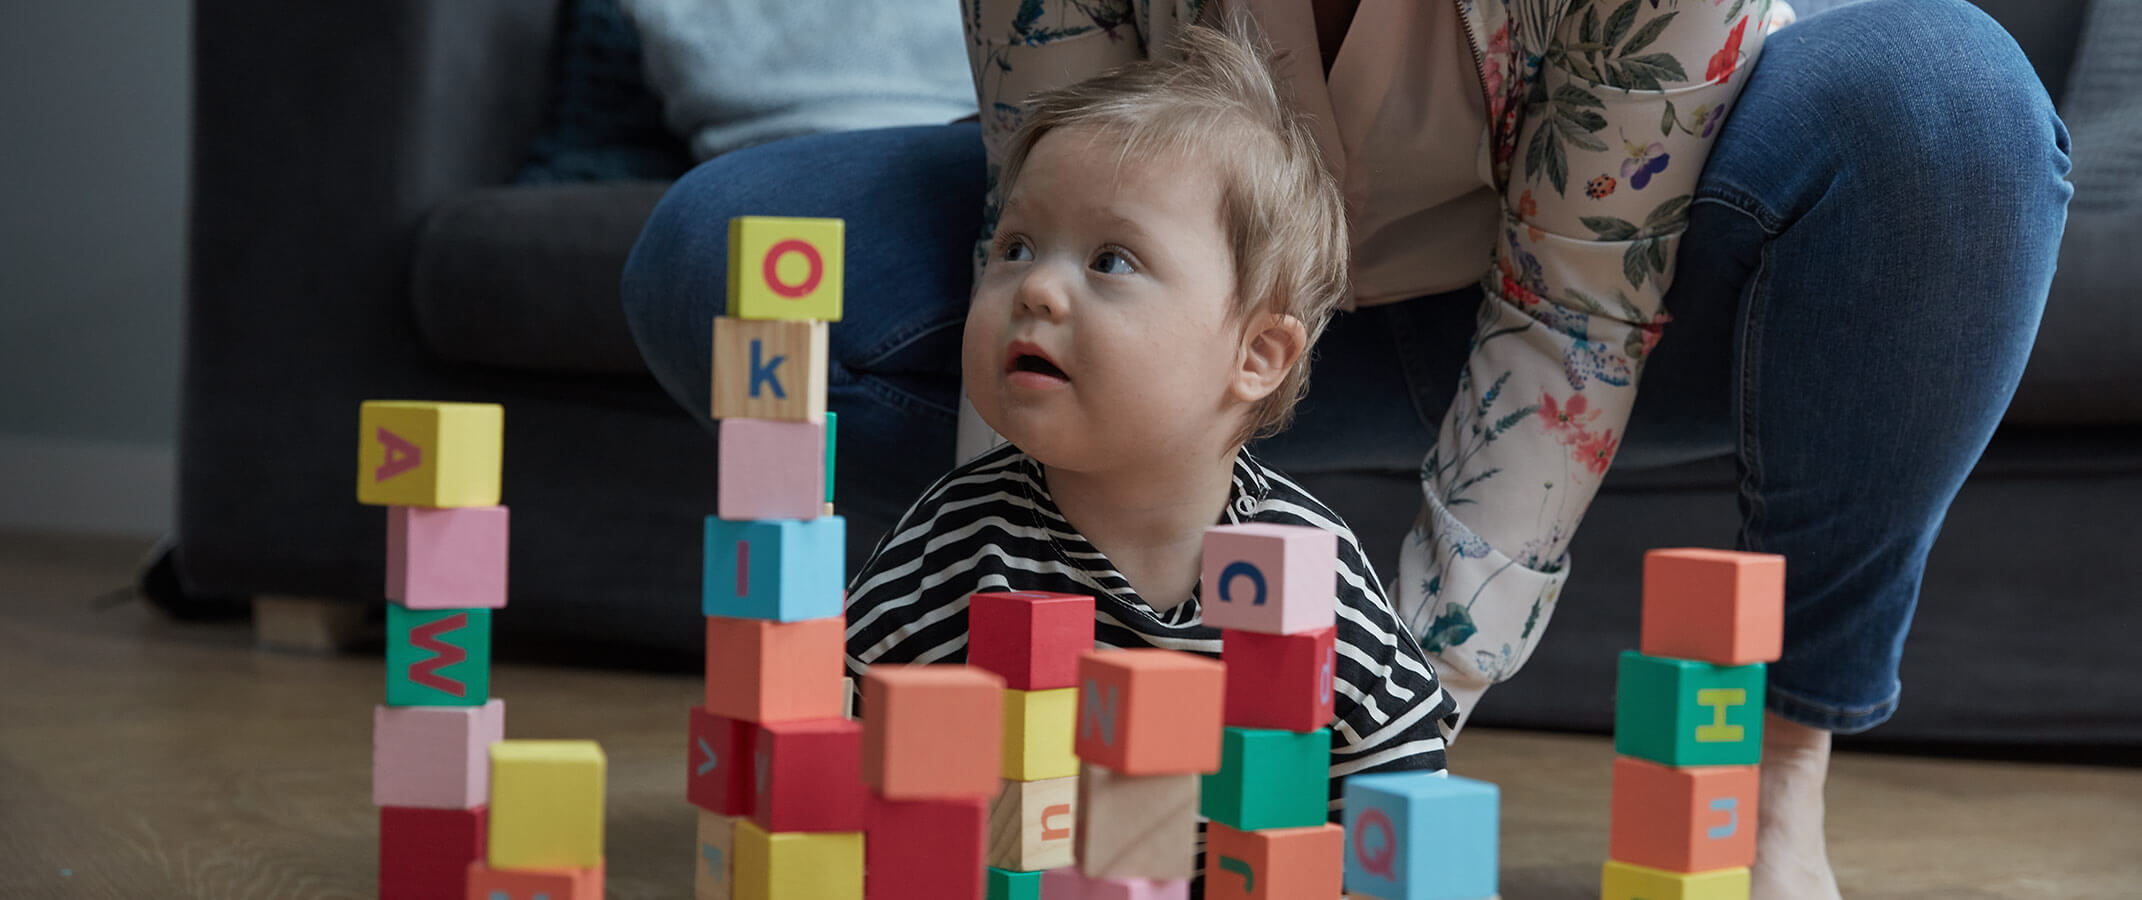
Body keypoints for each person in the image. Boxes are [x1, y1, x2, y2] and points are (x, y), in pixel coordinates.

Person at [622, 1, 2072, 896]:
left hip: (1590, 291)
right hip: (1165, 294)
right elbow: (1044, 203)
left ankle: (1771, 780)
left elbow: (1576, 310)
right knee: (722, 251)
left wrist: (1332, 774)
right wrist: (993, 706)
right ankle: (1074, 667)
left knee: (1944, 104)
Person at [842, 18, 1457, 834]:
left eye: (1112, 261)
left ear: (1258, 354)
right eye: (1018, 246)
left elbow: (1401, 765)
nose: (1037, 291)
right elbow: (832, 739)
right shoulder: (955, 542)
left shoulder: (1310, 567)